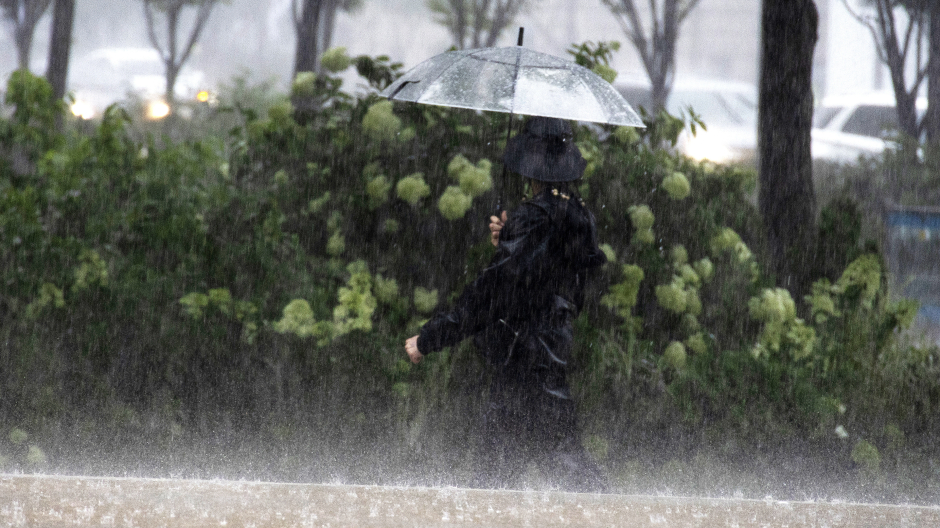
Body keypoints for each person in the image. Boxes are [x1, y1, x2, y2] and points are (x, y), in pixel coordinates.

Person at [403, 116, 608, 492]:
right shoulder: (578, 215)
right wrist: (512, 241)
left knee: (534, 468)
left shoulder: (534, 217)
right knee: (512, 468)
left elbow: (491, 293)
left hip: (525, 355)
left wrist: (431, 337)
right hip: (548, 353)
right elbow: (563, 284)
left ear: (531, 162)